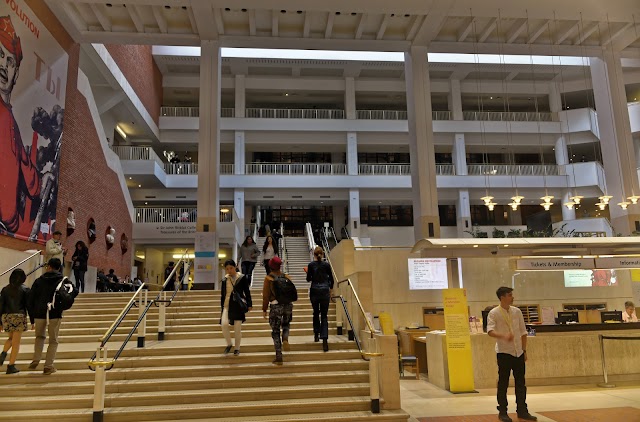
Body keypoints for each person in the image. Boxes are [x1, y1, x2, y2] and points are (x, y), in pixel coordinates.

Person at [0, 15, 51, 239]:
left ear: (16, 73)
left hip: (8, 228)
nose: (4, 66)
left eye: (10, 61)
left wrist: (43, 182)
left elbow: (27, 170)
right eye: (0, 56)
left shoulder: (11, 121)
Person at [486, 287, 537, 422]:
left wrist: (524, 350)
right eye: (509, 295)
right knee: (503, 383)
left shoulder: (517, 312)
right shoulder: (494, 313)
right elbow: (490, 331)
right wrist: (503, 336)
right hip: (504, 352)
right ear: (502, 297)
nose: (512, 297)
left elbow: (523, 332)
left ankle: (522, 410)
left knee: (521, 383)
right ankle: (503, 411)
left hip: (518, 352)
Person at [27, 258, 69, 375]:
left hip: (40, 313)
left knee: (39, 337)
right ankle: (48, 366)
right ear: (59, 268)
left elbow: (30, 300)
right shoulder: (63, 280)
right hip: (55, 313)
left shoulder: (39, 281)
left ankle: (35, 360)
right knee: (53, 340)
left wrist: (32, 318)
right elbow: (71, 292)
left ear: (49, 267)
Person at [262, 257, 293, 365]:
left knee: (275, 331)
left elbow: (266, 296)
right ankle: (285, 338)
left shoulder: (268, 278)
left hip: (276, 306)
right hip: (288, 306)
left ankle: (279, 357)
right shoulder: (287, 277)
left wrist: (264, 309)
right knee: (286, 325)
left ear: (270, 266)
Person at [0, 269, 30, 374]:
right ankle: (11, 365)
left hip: (7, 316)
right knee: (16, 343)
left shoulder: (4, 289)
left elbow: (1, 306)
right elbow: (28, 305)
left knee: (11, 338)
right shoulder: (25, 289)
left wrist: (0, 322)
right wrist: (33, 319)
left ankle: (3, 353)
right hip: (19, 316)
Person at [220, 260, 252, 356]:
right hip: (227, 305)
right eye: (227, 269)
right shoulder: (224, 280)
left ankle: (237, 348)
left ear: (235, 267)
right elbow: (223, 295)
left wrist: (250, 304)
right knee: (224, 324)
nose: (229, 270)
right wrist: (222, 307)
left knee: (237, 328)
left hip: (238, 306)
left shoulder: (242, 278)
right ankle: (229, 343)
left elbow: (247, 292)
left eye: (231, 268)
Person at [306, 246, 334, 352]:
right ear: (322, 254)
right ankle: (325, 340)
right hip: (324, 291)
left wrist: (310, 274)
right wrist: (330, 290)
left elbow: (308, 279)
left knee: (315, 312)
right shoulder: (326, 265)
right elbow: (331, 279)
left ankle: (316, 334)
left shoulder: (311, 265)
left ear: (314, 254)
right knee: (324, 315)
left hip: (314, 290)